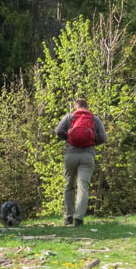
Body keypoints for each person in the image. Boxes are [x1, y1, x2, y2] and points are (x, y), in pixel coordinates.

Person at [53, 96, 106, 226]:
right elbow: (103, 138)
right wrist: (93, 143)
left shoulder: (69, 117)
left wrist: (68, 138)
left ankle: (68, 217)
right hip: (88, 155)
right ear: (87, 107)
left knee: (69, 185)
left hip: (70, 154)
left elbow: (58, 131)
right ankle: (79, 218)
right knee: (83, 187)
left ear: (75, 107)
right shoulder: (94, 119)